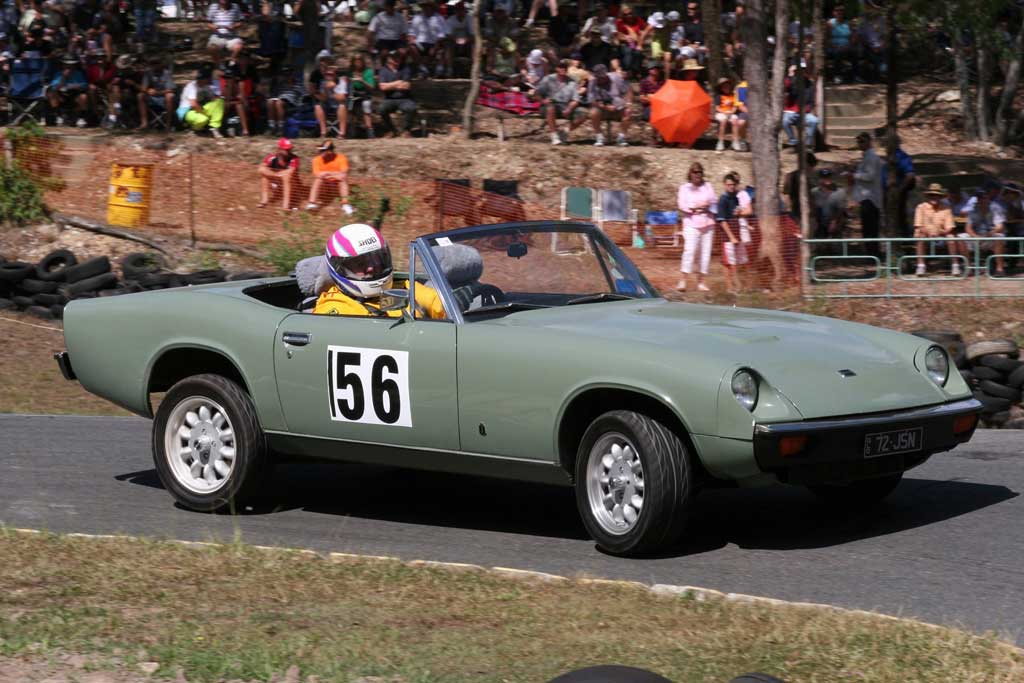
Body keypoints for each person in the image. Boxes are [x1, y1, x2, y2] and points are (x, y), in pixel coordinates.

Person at [314, 223, 447, 319]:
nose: (371, 267)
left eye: (375, 259)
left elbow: (440, 305)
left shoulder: (402, 288)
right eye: (360, 264)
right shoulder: (334, 310)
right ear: (340, 269)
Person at [677, 161, 717, 292]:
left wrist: (706, 206)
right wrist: (694, 208)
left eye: (699, 172)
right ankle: (683, 280)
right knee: (690, 250)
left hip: (707, 223)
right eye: (694, 172)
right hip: (691, 223)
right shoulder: (684, 188)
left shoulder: (708, 186)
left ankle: (701, 282)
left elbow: (714, 201)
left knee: (705, 253)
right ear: (690, 173)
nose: (697, 174)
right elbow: (681, 204)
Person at [717, 171, 754, 293]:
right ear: (724, 185)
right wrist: (731, 236)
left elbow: (738, 214)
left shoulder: (736, 198)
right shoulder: (723, 200)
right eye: (729, 184)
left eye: (733, 184)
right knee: (728, 263)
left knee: (741, 260)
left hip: (737, 233)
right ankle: (730, 287)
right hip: (727, 237)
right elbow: (722, 221)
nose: (731, 186)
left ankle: (742, 286)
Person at [913, 183, 959, 276]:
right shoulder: (921, 207)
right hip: (925, 235)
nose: (934, 197)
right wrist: (929, 233)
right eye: (931, 195)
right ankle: (921, 266)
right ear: (928, 196)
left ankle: (955, 265)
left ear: (940, 197)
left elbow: (950, 227)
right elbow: (918, 226)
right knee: (921, 237)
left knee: (951, 237)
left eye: (936, 195)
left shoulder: (946, 208)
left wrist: (941, 233)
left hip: (941, 236)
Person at [535, 58, 583, 145]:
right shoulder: (548, 79)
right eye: (560, 67)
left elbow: (575, 100)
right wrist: (543, 101)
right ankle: (554, 136)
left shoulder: (572, 82)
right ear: (556, 68)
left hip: (565, 106)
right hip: (549, 106)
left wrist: (569, 108)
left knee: (583, 113)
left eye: (565, 67)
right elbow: (537, 93)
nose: (563, 69)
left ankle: (565, 131)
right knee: (551, 107)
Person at [851, 131, 883, 256]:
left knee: (871, 228)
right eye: (858, 141)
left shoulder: (872, 157)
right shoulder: (865, 157)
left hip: (871, 198)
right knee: (867, 227)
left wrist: (854, 175)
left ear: (869, 142)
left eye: (862, 141)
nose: (860, 144)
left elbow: (870, 176)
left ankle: (873, 254)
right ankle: (870, 253)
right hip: (865, 198)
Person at [587, 63, 631, 146]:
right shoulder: (592, 82)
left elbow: (627, 90)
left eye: (602, 77)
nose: (600, 79)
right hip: (602, 109)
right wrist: (606, 107)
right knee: (593, 112)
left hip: (618, 107)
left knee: (628, 111)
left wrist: (628, 102)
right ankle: (599, 136)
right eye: (598, 77)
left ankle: (621, 137)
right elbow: (592, 101)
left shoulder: (616, 78)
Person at [964, 192, 1007, 276]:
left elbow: (1000, 227)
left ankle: (1000, 269)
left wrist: (988, 235)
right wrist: (975, 236)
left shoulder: (995, 208)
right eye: (979, 198)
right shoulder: (973, 210)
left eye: (984, 198)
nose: (982, 200)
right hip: (976, 236)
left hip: (990, 235)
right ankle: (968, 268)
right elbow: (968, 228)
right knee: (960, 238)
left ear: (988, 199)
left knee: (999, 237)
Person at [377, 49, 417, 137]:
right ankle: (391, 130)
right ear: (389, 59)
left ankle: (406, 130)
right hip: (389, 99)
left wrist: (389, 85)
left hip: (405, 98)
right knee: (381, 109)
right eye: (394, 57)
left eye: (398, 57)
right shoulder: (383, 70)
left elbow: (407, 86)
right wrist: (398, 83)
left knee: (412, 108)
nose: (396, 59)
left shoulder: (405, 68)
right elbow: (382, 87)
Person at [306, 140, 353, 214]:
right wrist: (335, 174)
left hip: (336, 185)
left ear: (330, 151)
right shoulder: (316, 159)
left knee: (343, 180)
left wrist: (327, 173)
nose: (320, 152)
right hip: (324, 185)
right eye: (320, 150)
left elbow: (343, 174)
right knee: (318, 180)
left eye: (323, 150)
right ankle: (312, 203)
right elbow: (317, 174)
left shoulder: (341, 158)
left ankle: (345, 204)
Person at [407, 0, 447, 78]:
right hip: (420, 43)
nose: (426, 8)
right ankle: (423, 69)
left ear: (432, 7)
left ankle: (438, 71)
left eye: (428, 6)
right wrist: (411, 40)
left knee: (441, 49)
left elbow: (442, 35)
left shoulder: (439, 18)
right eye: (424, 6)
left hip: (434, 43)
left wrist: (435, 46)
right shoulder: (417, 18)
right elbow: (412, 33)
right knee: (411, 47)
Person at [258, 137, 299, 211]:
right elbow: (261, 168)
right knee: (264, 177)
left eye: (289, 149)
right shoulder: (272, 157)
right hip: (277, 182)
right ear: (280, 149)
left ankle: (285, 206)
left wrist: (276, 174)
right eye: (286, 149)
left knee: (287, 177)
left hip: (292, 186)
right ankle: (264, 201)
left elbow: (291, 171)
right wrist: (275, 175)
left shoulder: (294, 158)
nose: (289, 151)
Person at [138, 55, 176, 130]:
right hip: (152, 97)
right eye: (152, 65)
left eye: (156, 64)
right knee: (140, 95)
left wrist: (158, 93)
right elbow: (143, 88)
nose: (155, 66)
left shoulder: (166, 73)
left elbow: (171, 89)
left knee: (170, 96)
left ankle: (168, 124)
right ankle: (144, 123)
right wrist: (148, 90)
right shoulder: (148, 73)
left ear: (161, 64)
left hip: (163, 97)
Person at [811, 168, 847, 239]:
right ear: (820, 179)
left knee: (835, 242)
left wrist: (834, 222)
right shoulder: (814, 192)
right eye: (824, 177)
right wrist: (814, 221)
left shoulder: (840, 192)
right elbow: (813, 207)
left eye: (828, 177)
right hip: (820, 223)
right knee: (820, 242)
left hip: (836, 222)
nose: (826, 179)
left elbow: (841, 209)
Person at [347, 53, 376, 137]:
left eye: (359, 59)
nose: (358, 61)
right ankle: (351, 131)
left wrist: (362, 81)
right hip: (353, 94)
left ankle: (370, 131)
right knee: (349, 105)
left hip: (365, 94)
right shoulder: (350, 72)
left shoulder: (368, 72)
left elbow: (371, 87)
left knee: (366, 105)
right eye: (356, 60)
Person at [713, 77, 740, 152]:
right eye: (724, 87)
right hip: (721, 113)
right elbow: (717, 108)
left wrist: (731, 112)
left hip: (731, 112)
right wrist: (724, 112)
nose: (726, 88)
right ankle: (720, 142)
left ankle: (735, 141)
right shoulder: (719, 96)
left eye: (727, 86)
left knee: (735, 122)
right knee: (723, 121)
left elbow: (735, 107)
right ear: (721, 88)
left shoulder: (733, 95)